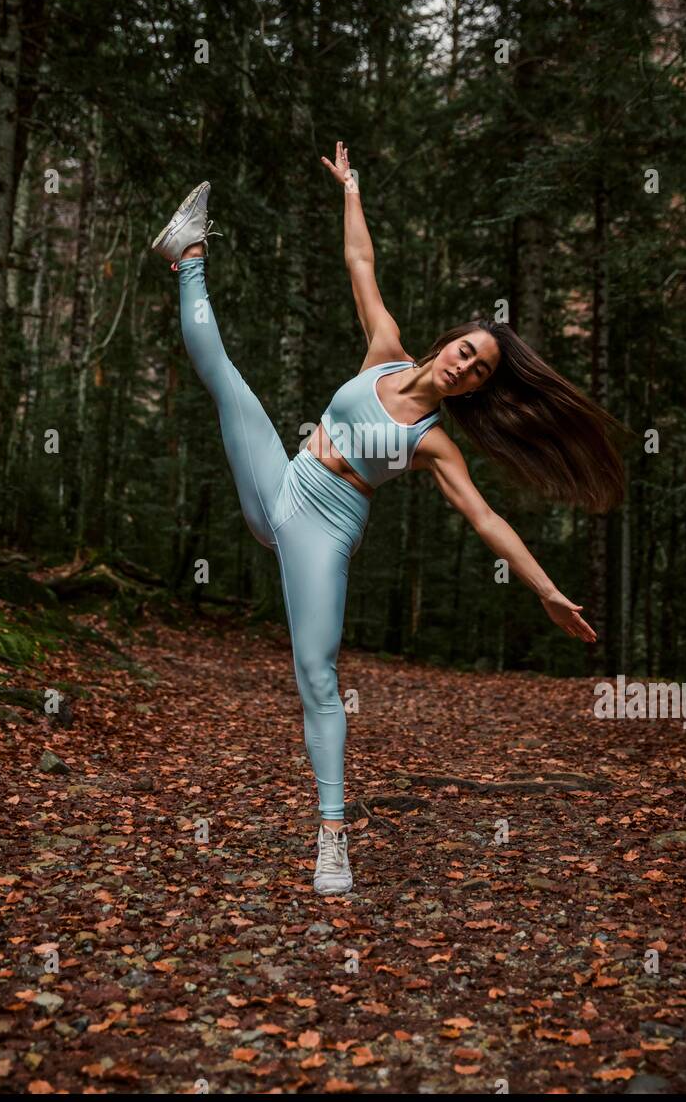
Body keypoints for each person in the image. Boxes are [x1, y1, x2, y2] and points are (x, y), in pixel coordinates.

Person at [152, 143, 625, 896]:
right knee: (223, 375)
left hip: (323, 528)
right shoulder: (384, 350)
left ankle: (332, 834)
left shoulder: (433, 443)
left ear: (475, 389)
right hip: (286, 480)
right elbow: (361, 263)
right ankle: (187, 253)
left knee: (316, 674)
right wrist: (352, 189)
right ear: (448, 342)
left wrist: (544, 588)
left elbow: (485, 518)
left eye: (477, 372)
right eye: (466, 352)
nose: (464, 367)